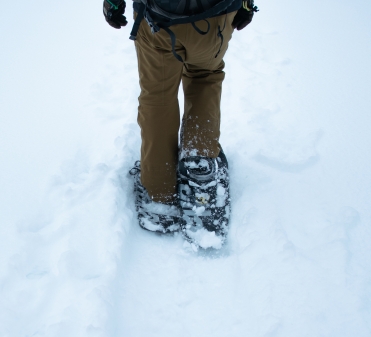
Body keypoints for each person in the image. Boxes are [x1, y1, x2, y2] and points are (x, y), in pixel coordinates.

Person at [103, 0, 258, 248]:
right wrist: (247, 4)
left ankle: (158, 192)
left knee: (158, 96)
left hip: (159, 19)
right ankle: (201, 175)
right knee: (204, 78)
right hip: (216, 15)